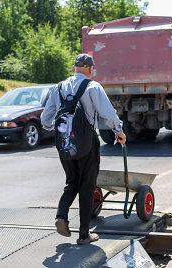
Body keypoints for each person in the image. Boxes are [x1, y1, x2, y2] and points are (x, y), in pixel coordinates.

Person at [41, 54, 126, 245]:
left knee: (71, 182)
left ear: (74, 69)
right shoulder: (93, 86)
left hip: (64, 143)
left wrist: (60, 129)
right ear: (90, 69)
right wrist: (118, 130)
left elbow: (45, 120)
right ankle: (84, 234)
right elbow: (107, 113)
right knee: (87, 186)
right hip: (87, 142)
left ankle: (61, 216)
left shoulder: (58, 88)